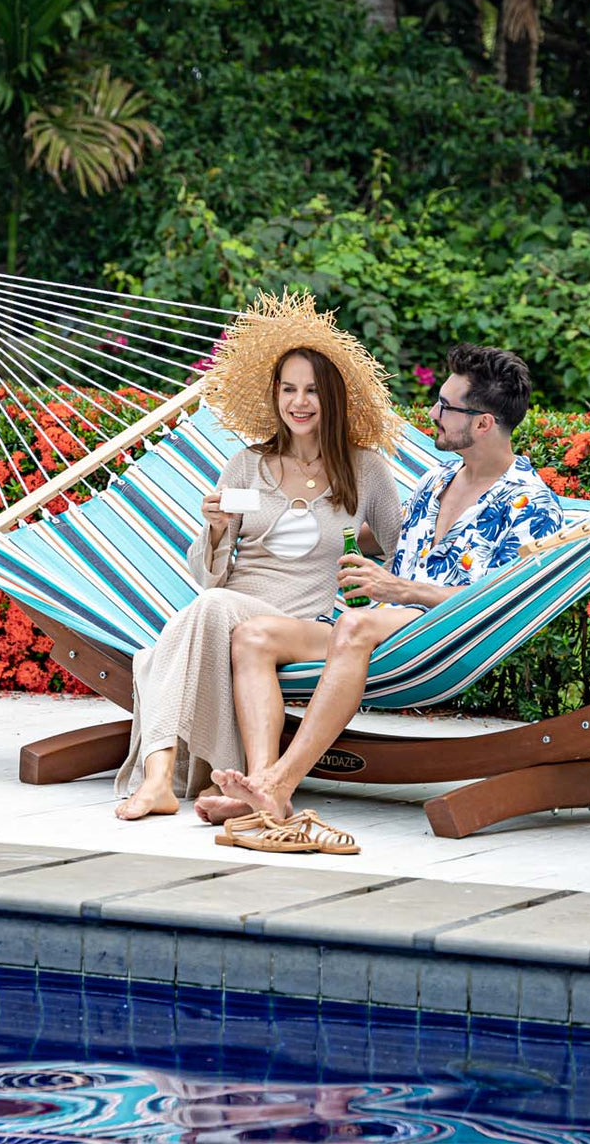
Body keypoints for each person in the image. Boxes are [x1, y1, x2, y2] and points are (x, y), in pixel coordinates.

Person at [198, 344, 564, 832]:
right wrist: (288, 520)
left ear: (481, 424)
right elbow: (370, 532)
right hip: (367, 627)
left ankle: (277, 785)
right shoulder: (435, 483)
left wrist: (401, 589)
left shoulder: (531, 506)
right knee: (254, 635)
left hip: (435, 636)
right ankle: (262, 787)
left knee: (354, 622)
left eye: (446, 407)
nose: (433, 413)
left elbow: (504, 604)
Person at [114, 291, 403, 820]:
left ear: (332, 398)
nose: (299, 401)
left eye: (313, 390)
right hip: (235, 606)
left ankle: (159, 777)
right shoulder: (247, 466)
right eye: (288, 389)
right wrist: (218, 531)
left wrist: (363, 555)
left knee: (187, 628)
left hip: (308, 622)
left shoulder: (364, 471)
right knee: (210, 608)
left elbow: (400, 546)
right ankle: (186, 781)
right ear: (275, 396)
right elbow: (208, 575)